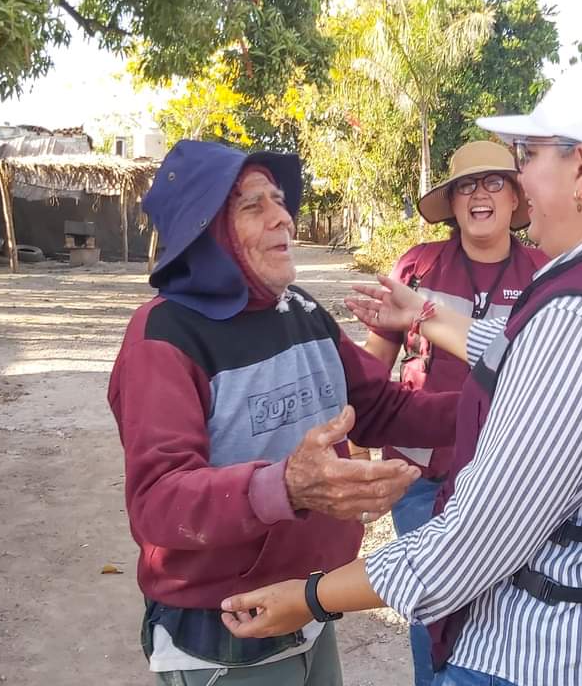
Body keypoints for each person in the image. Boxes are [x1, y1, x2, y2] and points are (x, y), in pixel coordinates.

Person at [219, 59, 582, 686]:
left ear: (581, 170)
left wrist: (308, 597)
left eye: (528, 153)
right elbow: (553, 366)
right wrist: (425, 315)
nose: (519, 176)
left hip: (553, 654)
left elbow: (470, 545)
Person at [108, 140, 458, 686]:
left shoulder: (298, 310)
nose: (282, 218)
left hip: (308, 606)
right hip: (224, 628)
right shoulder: (165, 336)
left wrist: (500, 408)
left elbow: (377, 407)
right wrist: (286, 487)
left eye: (279, 200)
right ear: (207, 234)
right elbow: (157, 501)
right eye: (253, 207)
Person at [361, 140, 549, 685]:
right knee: (433, 602)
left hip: (514, 475)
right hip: (422, 474)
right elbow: (375, 364)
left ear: (517, 198)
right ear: (452, 202)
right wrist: (356, 449)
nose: (479, 195)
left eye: (494, 183)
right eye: (467, 185)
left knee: (499, 610)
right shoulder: (418, 266)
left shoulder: (545, 271)